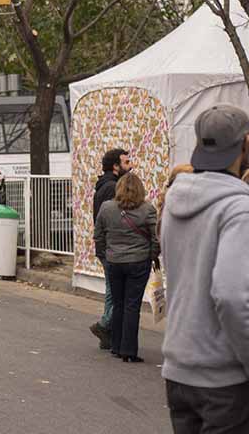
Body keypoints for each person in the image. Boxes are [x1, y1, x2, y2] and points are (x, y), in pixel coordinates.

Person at [160, 104, 249, 432]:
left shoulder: (174, 201)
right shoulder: (238, 208)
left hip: (178, 368)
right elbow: (231, 296)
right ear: (244, 145)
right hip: (223, 377)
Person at [93, 172, 158, 363]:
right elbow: (155, 238)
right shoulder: (147, 209)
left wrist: (104, 256)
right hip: (138, 262)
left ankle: (116, 345)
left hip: (114, 261)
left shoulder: (107, 208)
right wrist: (151, 256)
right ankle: (128, 350)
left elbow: (98, 236)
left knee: (118, 304)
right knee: (132, 305)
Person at [89, 148, 131, 350]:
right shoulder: (112, 187)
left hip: (106, 245)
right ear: (115, 166)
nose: (130, 166)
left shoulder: (104, 185)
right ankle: (105, 324)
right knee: (114, 291)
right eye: (126, 162)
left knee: (112, 289)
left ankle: (108, 328)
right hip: (111, 246)